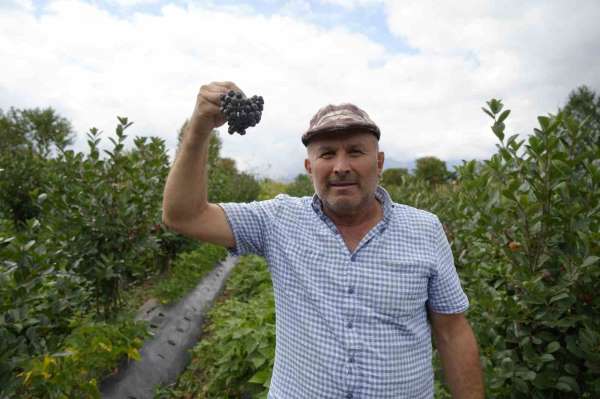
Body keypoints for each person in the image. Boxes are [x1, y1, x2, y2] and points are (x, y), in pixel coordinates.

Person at [162, 81, 485, 399]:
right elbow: (184, 215)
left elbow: (452, 331)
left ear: (380, 162)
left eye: (356, 151)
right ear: (309, 167)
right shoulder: (278, 220)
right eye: (327, 154)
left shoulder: (424, 229)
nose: (341, 166)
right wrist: (200, 128)